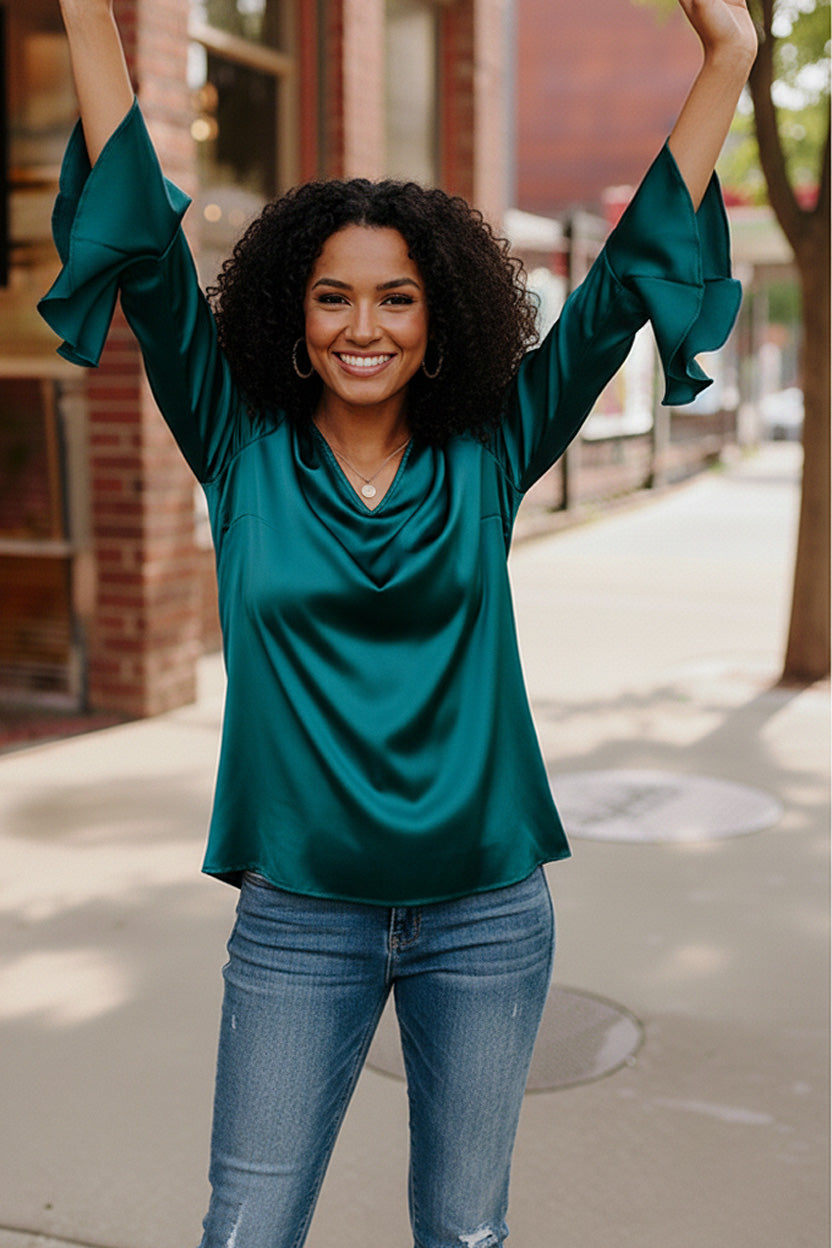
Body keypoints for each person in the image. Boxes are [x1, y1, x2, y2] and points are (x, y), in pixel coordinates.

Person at [40, 3, 757, 1245]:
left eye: (396, 300)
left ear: (439, 320)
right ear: (291, 311)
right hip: (298, 915)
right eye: (332, 298)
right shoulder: (236, 443)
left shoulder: (491, 451)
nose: (362, 328)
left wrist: (731, 55)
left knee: (463, 1233)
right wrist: (86, 19)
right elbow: (145, 238)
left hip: (485, 913)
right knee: (248, 1225)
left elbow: (625, 274)